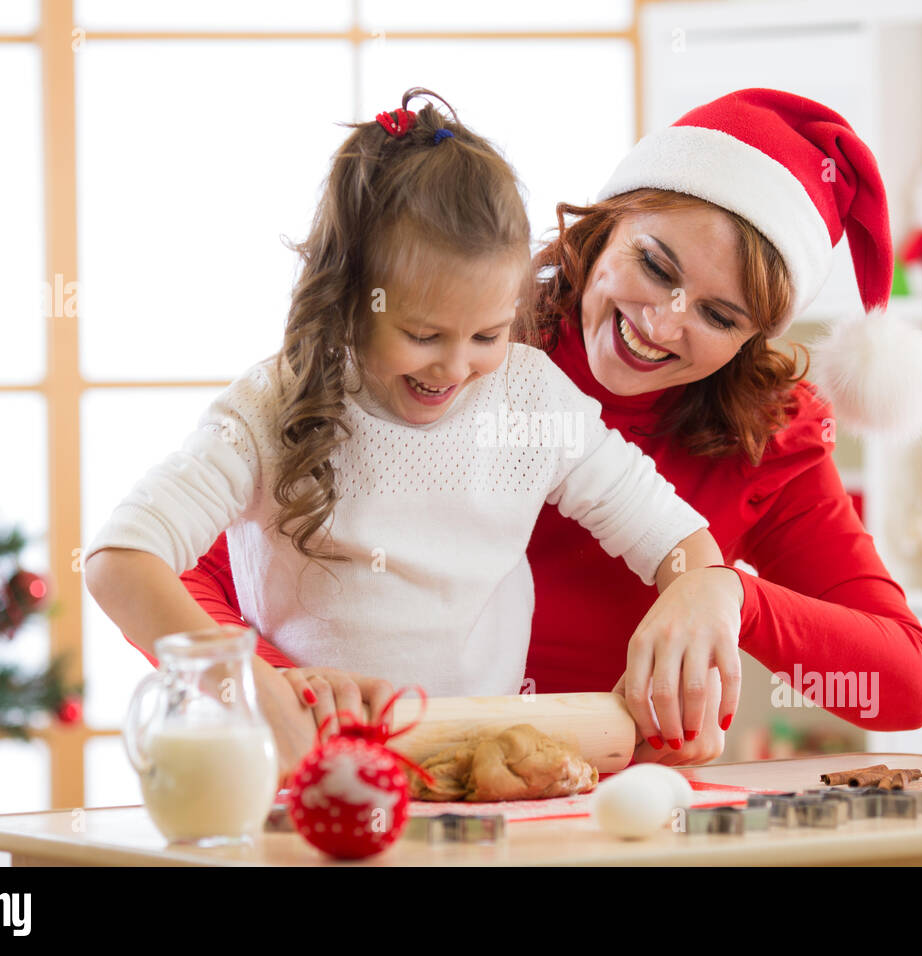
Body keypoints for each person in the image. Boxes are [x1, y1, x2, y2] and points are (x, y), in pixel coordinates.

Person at [173, 89, 922, 768]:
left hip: (591, 804)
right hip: (359, 767)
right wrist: (281, 688)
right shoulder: (455, 356)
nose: (662, 323)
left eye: (718, 315)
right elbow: (187, 567)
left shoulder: (765, 441)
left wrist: (726, 599)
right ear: (603, 228)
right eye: (655, 265)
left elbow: (904, 687)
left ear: (752, 338)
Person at [82, 89, 747, 782]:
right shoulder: (272, 407)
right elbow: (118, 558)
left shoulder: (530, 395)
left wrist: (701, 608)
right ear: (349, 298)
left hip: (480, 772)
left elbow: (675, 541)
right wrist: (240, 677)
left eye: (488, 334)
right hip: (313, 770)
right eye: (422, 335)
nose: (457, 368)